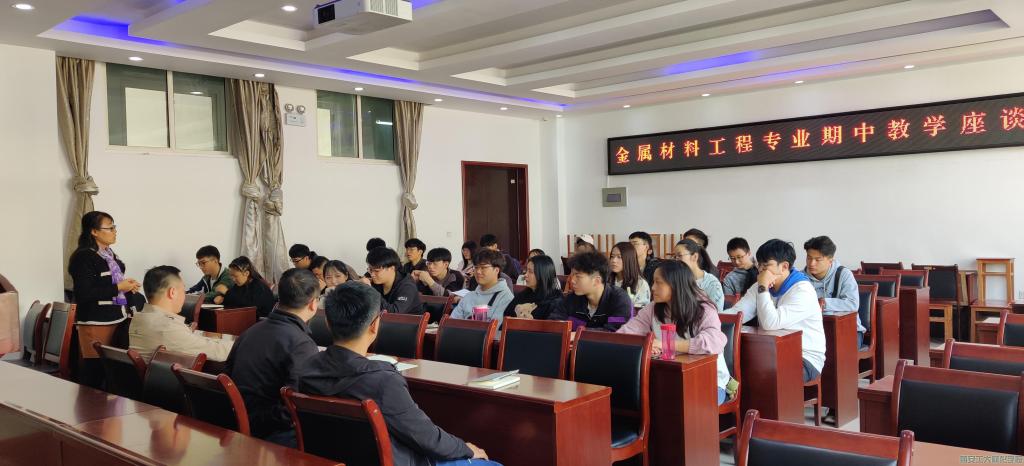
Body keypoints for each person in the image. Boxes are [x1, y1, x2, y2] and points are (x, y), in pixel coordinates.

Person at [295, 282, 499, 466]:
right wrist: (466, 449)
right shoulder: (382, 381)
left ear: (328, 323)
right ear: (375, 325)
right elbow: (427, 438)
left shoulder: (306, 369)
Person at [225, 268, 321, 447]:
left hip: (235, 423)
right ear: (313, 303)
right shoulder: (302, 344)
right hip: (270, 437)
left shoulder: (249, 331)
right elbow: (295, 406)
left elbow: (227, 374)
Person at [617, 261, 730, 404]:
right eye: (653, 282)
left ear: (676, 284)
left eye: (659, 283)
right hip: (670, 378)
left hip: (709, 381)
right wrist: (645, 346)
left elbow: (715, 342)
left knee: (681, 405)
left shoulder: (703, 309)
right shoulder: (653, 308)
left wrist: (666, 345)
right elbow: (627, 333)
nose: (653, 287)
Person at [728, 239, 826, 383]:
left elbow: (771, 323)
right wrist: (711, 320)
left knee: (763, 375)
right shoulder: (760, 286)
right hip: (770, 352)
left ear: (784, 266)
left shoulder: (803, 290)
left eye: (766, 265)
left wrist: (763, 287)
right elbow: (738, 313)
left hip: (804, 357)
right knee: (731, 367)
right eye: (759, 265)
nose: (761, 271)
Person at [68, 211, 142, 387]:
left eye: (114, 227)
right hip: (96, 322)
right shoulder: (84, 257)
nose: (115, 231)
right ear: (94, 231)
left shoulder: (109, 254)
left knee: (113, 372)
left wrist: (127, 286)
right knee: (94, 371)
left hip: (117, 318)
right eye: (110, 228)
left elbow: (109, 283)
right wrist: (119, 287)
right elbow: (84, 293)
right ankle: (88, 404)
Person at [129, 265, 233, 362]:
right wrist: (239, 345)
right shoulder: (167, 327)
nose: (184, 295)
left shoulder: (138, 319)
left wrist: (187, 333)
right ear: (172, 292)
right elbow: (218, 351)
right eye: (183, 290)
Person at [804, 236, 864, 345]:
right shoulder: (800, 278)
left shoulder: (843, 274)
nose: (812, 263)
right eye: (809, 258)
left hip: (848, 330)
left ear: (830, 260)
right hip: (813, 331)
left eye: (818, 260)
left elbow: (852, 304)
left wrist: (823, 303)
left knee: (838, 348)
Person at [550, 252, 632, 331]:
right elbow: (554, 324)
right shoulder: (571, 299)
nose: (572, 281)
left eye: (578, 276)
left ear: (596, 281)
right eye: (572, 275)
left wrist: (577, 334)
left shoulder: (620, 299)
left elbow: (613, 331)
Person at [451, 249, 515, 323]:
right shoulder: (469, 296)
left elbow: (495, 327)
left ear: (496, 270)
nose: (478, 271)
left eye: (483, 267)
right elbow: (451, 323)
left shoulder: (506, 298)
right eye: (476, 267)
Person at [360, 247, 423, 315]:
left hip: (406, 321)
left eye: (376, 271)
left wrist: (370, 290)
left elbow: (394, 313)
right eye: (370, 270)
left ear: (392, 268)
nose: (372, 274)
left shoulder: (407, 286)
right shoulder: (376, 281)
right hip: (382, 320)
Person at [504, 255, 563, 320]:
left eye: (530, 272)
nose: (525, 275)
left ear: (542, 274)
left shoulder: (555, 300)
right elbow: (506, 316)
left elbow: (553, 324)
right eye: (526, 270)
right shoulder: (522, 295)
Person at [674, 239, 724, 312]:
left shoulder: (712, 283)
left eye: (679, 255)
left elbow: (716, 312)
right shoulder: (676, 280)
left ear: (695, 257)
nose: (676, 260)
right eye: (675, 257)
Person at [609, 242, 651, 308]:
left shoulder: (640, 284)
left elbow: (641, 310)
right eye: (612, 256)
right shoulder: (606, 279)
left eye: (619, 257)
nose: (614, 260)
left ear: (629, 259)